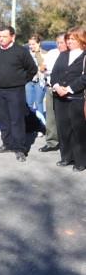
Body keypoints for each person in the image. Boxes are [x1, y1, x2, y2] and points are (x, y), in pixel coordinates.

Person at [0, 26, 38, 162]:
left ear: (12, 37)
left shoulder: (21, 51)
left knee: (17, 120)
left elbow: (32, 69)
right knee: (3, 118)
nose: (1, 39)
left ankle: (19, 149)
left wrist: (21, 81)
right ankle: (7, 144)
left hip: (16, 90)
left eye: (4, 36)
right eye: (0, 36)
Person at [50, 26, 86, 172]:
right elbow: (54, 73)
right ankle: (66, 157)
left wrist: (70, 89)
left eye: (73, 39)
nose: (69, 41)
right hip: (60, 98)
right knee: (63, 129)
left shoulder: (84, 56)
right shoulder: (63, 55)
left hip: (77, 98)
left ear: (81, 39)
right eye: (68, 39)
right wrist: (56, 86)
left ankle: (81, 160)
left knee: (78, 130)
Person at [39, 33, 67, 152]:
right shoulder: (52, 53)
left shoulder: (71, 54)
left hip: (65, 89)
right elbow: (42, 67)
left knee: (65, 118)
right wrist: (44, 72)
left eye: (62, 43)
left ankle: (66, 142)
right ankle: (52, 142)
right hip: (51, 87)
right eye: (57, 43)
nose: (59, 45)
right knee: (51, 117)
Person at [25, 34, 47, 118]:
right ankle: (29, 123)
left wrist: (37, 53)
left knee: (39, 103)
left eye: (33, 44)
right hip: (29, 81)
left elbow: (42, 66)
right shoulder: (26, 54)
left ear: (39, 43)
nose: (31, 46)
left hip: (40, 82)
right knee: (29, 103)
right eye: (29, 44)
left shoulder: (44, 53)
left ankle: (41, 124)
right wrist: (36, 68)